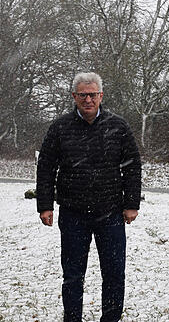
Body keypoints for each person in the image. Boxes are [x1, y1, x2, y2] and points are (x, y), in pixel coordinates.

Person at [36, 72, 142, 322]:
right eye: (82, 95)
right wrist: (45, 205)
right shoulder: (60, 127)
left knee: (114, 273)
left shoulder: (118, 126)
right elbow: (46, 167)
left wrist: (131, 204)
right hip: (73, 213)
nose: (88, 100)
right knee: (73, 275)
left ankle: (111, 318)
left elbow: (132, 166)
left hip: (111, 213)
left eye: (92, 95)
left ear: (101, 95)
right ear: (74, 96)